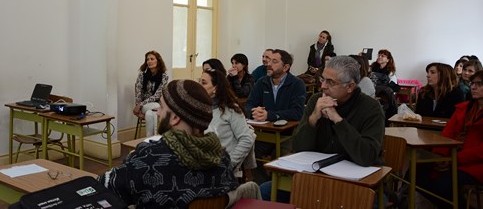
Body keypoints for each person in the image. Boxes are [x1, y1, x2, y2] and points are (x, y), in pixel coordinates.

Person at [261, 56, 385, 201]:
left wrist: (338, 120)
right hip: (316, 176)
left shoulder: (371, 108)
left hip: (358, 182)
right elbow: (299, 148)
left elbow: (367, 156)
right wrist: (313, 119)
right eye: (323, 79)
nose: (323, 86)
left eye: (330, 82)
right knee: (264, 191)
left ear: (350, 87)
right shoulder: (316, 100)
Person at [99, 80, 238, 208]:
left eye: (162, 107)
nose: (158, 113)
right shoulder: (222, 159)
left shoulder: (149, 159)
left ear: (175, 118)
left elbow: (103, 186)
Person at [417, 70, 483, 208]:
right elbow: (448, 133)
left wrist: (454, 159)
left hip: (475, 163)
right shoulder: (464, 108)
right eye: (472, 83)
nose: (473, 87)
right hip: (452, 156)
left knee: (443, 185)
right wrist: (439, 156)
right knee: (417, 173)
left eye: (479, 84)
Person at [200, 69, 256, 178]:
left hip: (223, 169)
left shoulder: (230, 109)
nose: (199, 86)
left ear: (215, 88)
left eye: (204, 83)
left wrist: (230, 164)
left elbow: (246, 139)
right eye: (199, 82)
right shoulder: (199, 108)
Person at [133, 50, 169, 137]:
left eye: (152, 59)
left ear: (158, 61)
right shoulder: (142, 74)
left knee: (150, 113)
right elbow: (138, 92)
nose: (149, 61)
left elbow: (157, 95)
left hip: (155, 105)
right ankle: (156, 139)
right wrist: (139, 105)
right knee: (156, 109)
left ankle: (149, 139)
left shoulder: (164, 76)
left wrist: (140, 105)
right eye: (147, 59)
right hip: (144, 106)